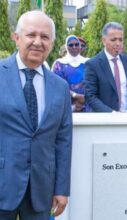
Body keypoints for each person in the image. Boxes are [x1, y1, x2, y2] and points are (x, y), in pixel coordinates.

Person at [0, 10, 72, 219]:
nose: (38, 42)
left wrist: (62, 188)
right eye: (31, 35)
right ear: (17, 38)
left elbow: (63, 141)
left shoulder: (60, 87)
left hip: (41, 189)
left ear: (51, 43)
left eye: (45, 37)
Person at [84, 22, 127, 112]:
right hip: (106, 121)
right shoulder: (93, 64)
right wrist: (112, 114)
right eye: (113, 40)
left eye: (121, 40)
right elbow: (90, 96)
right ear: (104, 40)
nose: (118, 43)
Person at [52, 35, 89, 112]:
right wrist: (75, 96)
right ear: (66, 46)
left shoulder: (88, 62)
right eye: (71, 45)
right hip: (67, 106)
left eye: (76, 44)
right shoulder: (59, 64)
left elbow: (93, 83)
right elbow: (57, 86)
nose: (74, 47)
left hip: (87, 104)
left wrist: (85, 98)